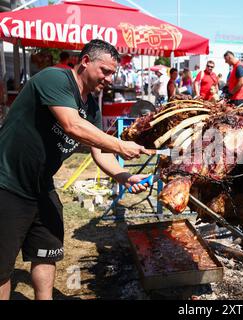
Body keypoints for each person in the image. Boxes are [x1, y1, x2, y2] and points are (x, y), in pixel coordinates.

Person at [0, 39, 153, 300]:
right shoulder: (55, 79)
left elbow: (98, 150)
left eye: (112, 73)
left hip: (42, 186)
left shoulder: (91, 106)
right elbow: (72, 125)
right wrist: (119, 144)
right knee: (2, 268)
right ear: (85, 61)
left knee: (46, 251)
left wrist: (124, 175)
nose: (109, 78)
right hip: (8, 183)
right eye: (105, 71)